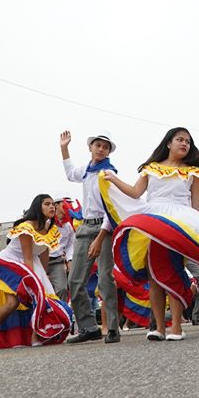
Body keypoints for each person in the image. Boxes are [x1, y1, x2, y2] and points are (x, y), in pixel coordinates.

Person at [102, 127, 199, 341]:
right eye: (180, 139)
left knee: (173, 271)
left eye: (188, 142)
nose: (184, 144)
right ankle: (159, 328)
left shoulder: (194, 171)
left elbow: (197, 205)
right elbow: (135, 193)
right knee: (154, 276)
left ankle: (176, 328)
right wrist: (113, 180)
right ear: (169, 143)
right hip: (152, 221)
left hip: (178, 223)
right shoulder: (151, 168)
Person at [0, 194, 70, 349]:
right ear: (37, 207)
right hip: (11, 263)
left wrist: (43, 275)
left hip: (33, 262)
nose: (52, 207)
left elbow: (44, 253)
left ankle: (35, 334)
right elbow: (27, 256)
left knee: (42, 298)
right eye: (47, 204)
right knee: (12, 302)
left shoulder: (50, 229)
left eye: (53, 204)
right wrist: (33, 281)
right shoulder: (26, 227)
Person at [61, 129, 122, 344]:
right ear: (90, 147)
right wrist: (64, 148)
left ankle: (112, 328)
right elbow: (70, 173)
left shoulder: (108, 174)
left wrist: (100, 238)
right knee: (74, 280)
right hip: (85, 228)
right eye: (98, 145)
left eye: (105, 147)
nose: (101, 149)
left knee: (105, 278)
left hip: (104, 228)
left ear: (109, 152)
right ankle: (88, 327)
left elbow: (111, 210)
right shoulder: (87, 171)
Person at [49, 194, 77, 303]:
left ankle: (62, 311)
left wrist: (70, 260)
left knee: (62, 289)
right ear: (56, 206)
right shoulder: (46, 223)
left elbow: (70, 245)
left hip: (57, 261)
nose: (69, 206)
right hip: (40, 261)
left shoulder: (68, 226)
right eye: (65, 203)